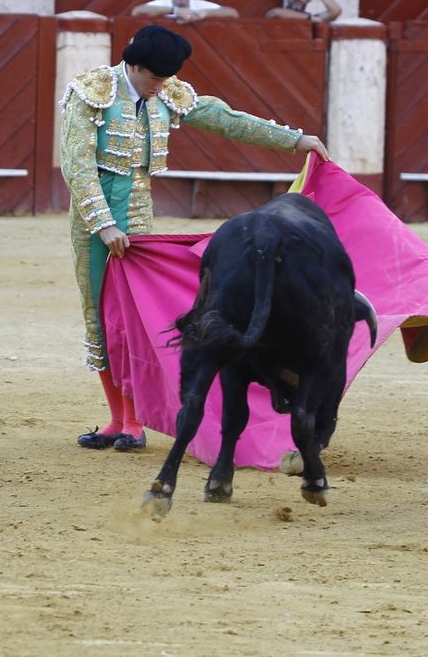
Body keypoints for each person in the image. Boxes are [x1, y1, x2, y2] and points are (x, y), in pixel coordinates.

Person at [59, 24, 327, 451]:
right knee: (99, 315)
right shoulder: (92, 93)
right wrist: (103, 224)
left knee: (133, 317)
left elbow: (224, 120)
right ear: (135, 66)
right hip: (94, 224)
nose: (161, 87)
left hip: (139, 221)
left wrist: (294, 140)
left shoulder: (164, 93)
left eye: (166, 81)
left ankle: (133, 422)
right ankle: (115, 419)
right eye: (155, 79)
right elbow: (77, 166)